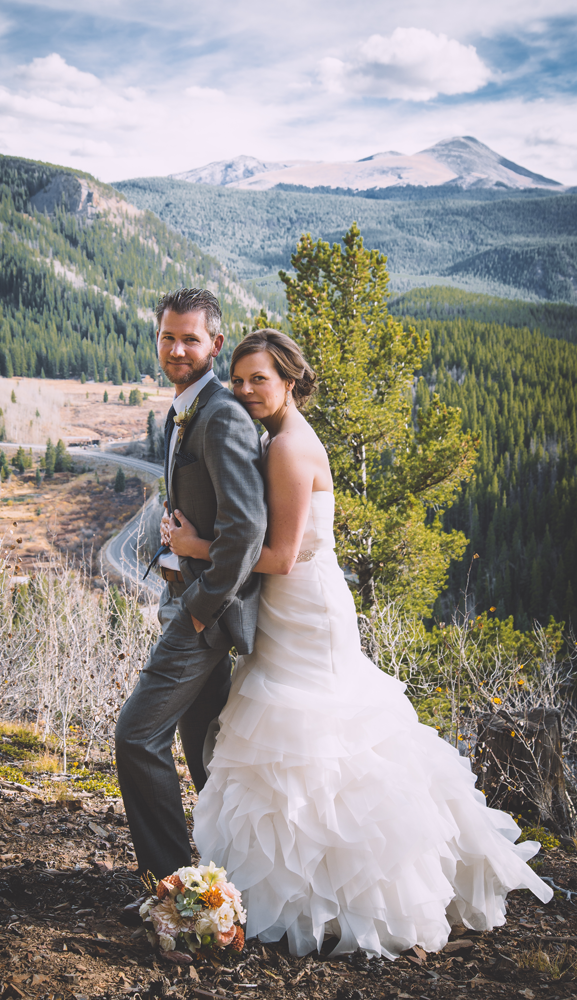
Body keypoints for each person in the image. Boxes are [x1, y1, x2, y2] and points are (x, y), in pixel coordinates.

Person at [161, 327, 552, 960]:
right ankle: (304, 888)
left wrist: (195, 548)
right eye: (237, 380)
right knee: (299, 743)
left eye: (259, 378)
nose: (244, 390)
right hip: (298, 609)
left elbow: (283, 557)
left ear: (290, 381)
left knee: (318, 741)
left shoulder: (288, 447)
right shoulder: (279, 436)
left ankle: (341, 894)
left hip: (304, 611)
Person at [115, 288, 266, 888]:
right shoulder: (189, 407)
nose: (177, 349)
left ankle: (175, 887)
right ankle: (233, 874)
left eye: (191, 339)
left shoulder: (221, 414)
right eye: (168, 337)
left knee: (136, 737)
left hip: (205, 611)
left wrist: (201, 609)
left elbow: (247, 530)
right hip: (187, 599)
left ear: (216, 345)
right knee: (208, 753)